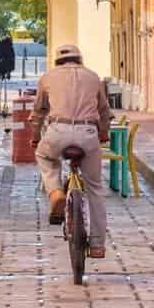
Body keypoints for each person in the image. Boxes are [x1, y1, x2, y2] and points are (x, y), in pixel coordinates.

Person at [30, 44, 111, 258]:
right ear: (80, 59)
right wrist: (104, 132)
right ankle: (97, 245)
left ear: (57, 61)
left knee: (44, 155)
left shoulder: (47, 78)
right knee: (94, 187)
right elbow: (104, 111)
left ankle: (55, 191)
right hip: (87, 132)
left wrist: (35, 135)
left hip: (58, 130)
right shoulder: (93, 77)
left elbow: (38, 112)